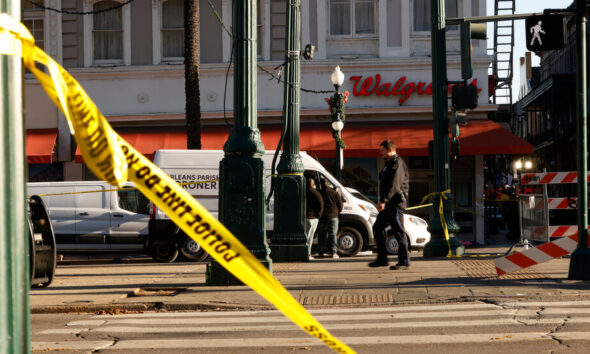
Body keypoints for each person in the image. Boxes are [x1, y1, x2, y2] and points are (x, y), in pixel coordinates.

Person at [369, 139, 411, 270]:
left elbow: (394, 184)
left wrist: (384, 200)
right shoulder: (388, 164)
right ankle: (382, 259)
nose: (381, 153)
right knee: (377, 227)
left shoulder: (397, 163)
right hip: (388, 204)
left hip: (395, 204)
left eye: (383, 150)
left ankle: (404, 261)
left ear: (390, 150)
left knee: (398, 231)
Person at [317, 179, 343, 258]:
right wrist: (337, 212)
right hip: (333, 217)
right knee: (332, 235)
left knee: (321, 235)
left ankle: (321, 252)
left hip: (322, 217)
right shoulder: (334, 193)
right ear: (328, 184)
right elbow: (340, 206)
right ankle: (333, 252)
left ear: (321, 185)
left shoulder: (319, 193)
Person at [305, 177, 323, 260]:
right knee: (310, 237)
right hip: (313, 218)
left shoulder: (303, 191)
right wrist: (318, 215)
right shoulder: (315, 192)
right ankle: (307, 254)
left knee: (306, 237)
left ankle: (305, 253)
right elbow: (321, 203)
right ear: (313, 184)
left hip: (305, 217)